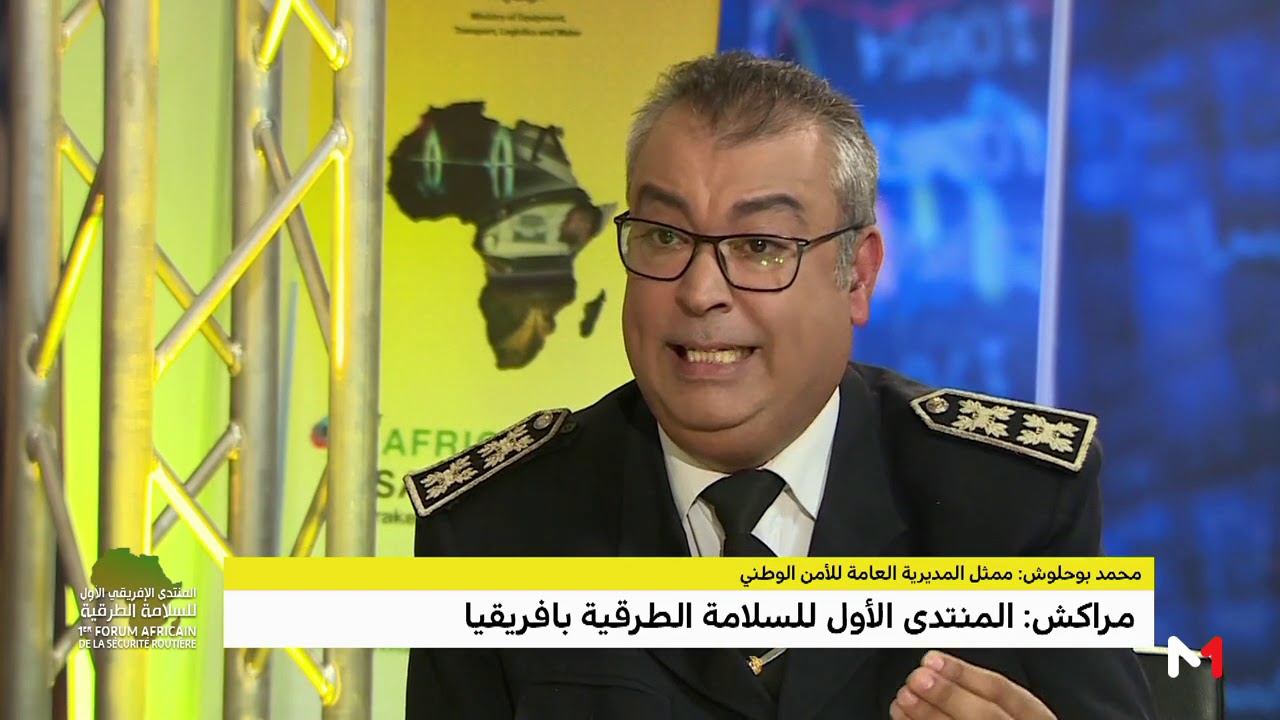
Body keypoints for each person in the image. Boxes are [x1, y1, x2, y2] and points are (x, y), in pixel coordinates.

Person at [403, 50, 1159, 720]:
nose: (701, 291)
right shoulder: (494, 529)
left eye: (760, 245)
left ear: (857, 276)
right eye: (665, 237)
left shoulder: (1011, 507)